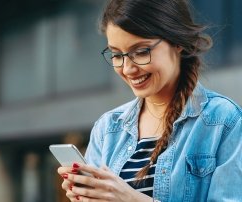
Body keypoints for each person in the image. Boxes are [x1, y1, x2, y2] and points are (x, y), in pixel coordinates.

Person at [57, 0, 242, 201]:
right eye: (117, 55)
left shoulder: (223, 121)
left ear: (177, 42)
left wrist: (130, 199)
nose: (127, 69)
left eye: (142, 51)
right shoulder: (107, 128)